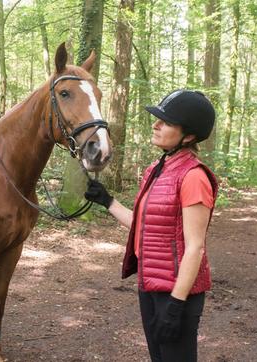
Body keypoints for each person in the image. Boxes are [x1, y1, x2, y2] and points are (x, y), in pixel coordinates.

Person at [84, 90, 218, 361]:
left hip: (176, 294)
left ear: (189, 135)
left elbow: (195, 248)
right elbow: (144, 226)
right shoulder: (157, 169)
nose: (155, 125)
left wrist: (176, 305)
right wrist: (108, 201)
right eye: (157, 119)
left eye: (165, 122)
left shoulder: (193, 177)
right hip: (151, 285)